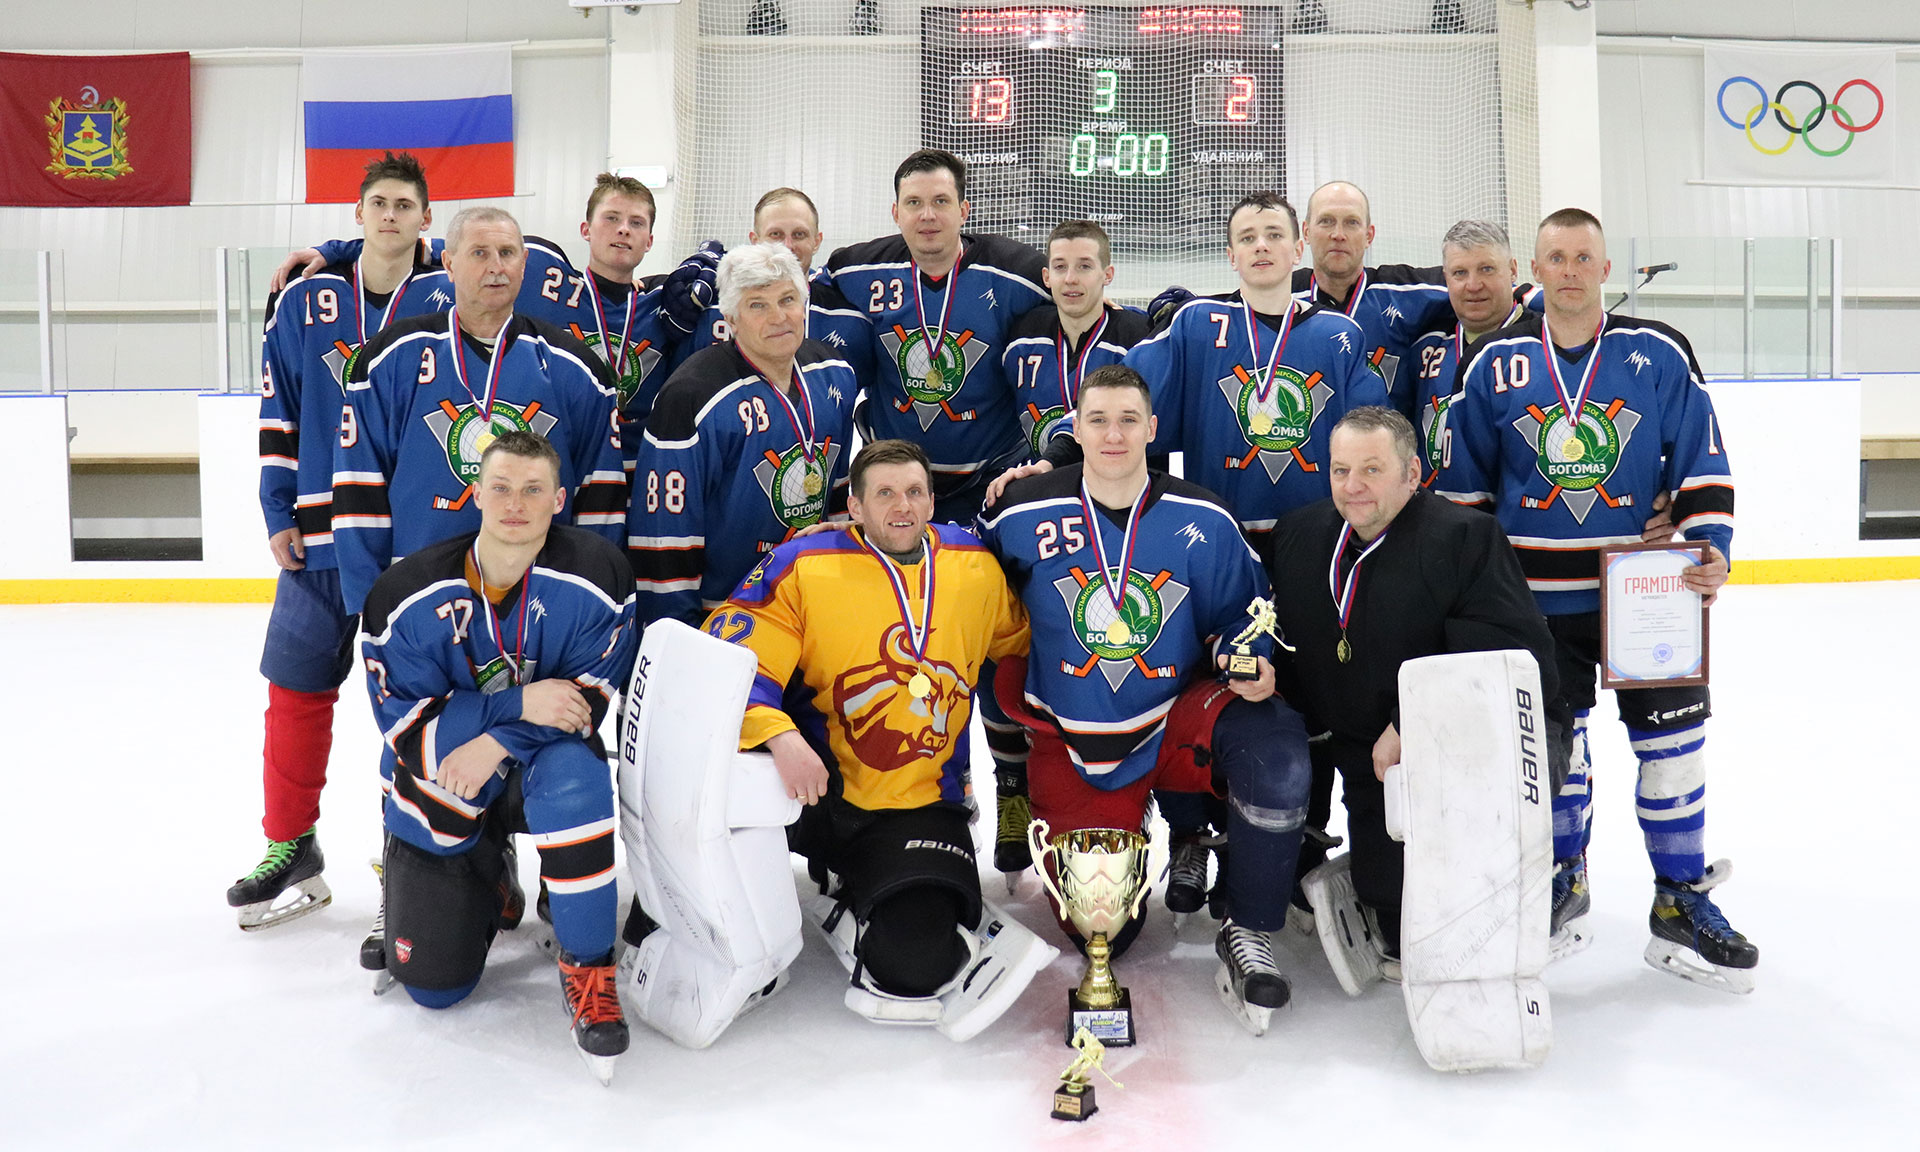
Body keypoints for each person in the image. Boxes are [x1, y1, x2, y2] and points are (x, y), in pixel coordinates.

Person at [1434, 207, 1756, 991]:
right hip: (1537, 606)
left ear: (1606, 269)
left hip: (1649, 591)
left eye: (1584, 257)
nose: (1571, 270)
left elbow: (1702, 464)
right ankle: (1564, 881)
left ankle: (1680, 899)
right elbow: (1464, 495)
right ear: (1535, 271)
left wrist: (1707, 545)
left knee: (1673, 751)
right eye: (1557, 257)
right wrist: (1477, 595)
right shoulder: (1497, 365)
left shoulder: (1657, 353)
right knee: (1559, 756)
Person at [978, 365, 1314, 1029]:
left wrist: (1249, 657)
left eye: (1129, 420)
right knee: (1102, 930)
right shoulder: (1019, 511)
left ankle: (1247, 925)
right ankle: (1149, 832)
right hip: (1071, 736)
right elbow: (956, 573)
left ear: (1153, 428)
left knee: (1274, 750)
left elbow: (1247, 612)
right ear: (1076, 430)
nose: (1114, 434)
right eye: (1098, 420)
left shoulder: (1202, 516)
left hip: (1173, 719)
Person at [701, 438, 1054, 1032]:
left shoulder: (973, 565)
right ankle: (833, 875)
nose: (902, 506)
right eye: (884, 493)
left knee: (918, 963)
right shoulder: (805, 564)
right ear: (855, 507)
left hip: (921, 805)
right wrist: (779, 735)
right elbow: (728, 659)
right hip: (816, 796)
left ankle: (861, 897)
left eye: (915, 492)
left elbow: (1029, 645)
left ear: (933, 501)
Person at [359, 430, 637, 1080]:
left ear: (559, 500)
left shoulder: (600, 577)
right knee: (435, 987)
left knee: (578, 776)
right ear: (476, 493)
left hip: (541, 759)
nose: (516, 503)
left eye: (533, 490)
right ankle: (488, 876)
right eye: (502, 487)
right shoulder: (405, 595)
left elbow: (582, 708)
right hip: (451, 768)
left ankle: (589, 968)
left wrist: (496, 738)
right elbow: (409, 728)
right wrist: (520, 704)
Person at [228, 152, 454, 931]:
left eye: (405, 205)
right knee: (295, 689)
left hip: (417, 539)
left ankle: (418, 852)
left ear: (427, 219)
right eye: (378, 203)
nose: (390, 215)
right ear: (358, 214)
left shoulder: (451, 293)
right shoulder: (305, 299)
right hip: (321, 534)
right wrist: (276, 510)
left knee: (420, 703)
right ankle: (290, 844)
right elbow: (279, 409)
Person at [1266, 406, 1564, 967]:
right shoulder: (1300, 535)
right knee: (1394, 908)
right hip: (1369, 751)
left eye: (1371, 469)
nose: (1352, 486)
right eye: (1340, 470)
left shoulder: (1466, 537)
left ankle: (1516, 889)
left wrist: (1413, 724)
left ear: (1411, 474)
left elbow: (1507, 660)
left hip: (1474, 742)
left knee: (1453, 918)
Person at [271, 172, 719, 465]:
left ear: (650, 240)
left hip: (641, 469)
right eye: (612, 218)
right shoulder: (538, 267)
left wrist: (714, 262)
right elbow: (433, 245)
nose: (623, 229)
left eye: (636, 223)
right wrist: (336, 250)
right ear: (586, 229)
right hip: (559, 461)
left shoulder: (666, 301)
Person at [331, 205, 628, 618]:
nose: (496, 267)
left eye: (507, 253)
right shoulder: (391, 358)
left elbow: (602, 497)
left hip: (542, 602)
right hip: (416, 595)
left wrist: (592, 598)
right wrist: (371, 602)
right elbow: (358, 485)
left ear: (524, 264)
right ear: (449, 264)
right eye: (479, 253)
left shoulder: (577, 368)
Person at [1122, 191, 1388, 561]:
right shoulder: (1195, 323)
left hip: (1319, 541)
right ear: (1232, 256)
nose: (1261, 245)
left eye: (1274, 235)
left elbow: (1375, 438)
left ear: (1298, 249)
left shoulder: (1339, 333)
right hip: (1217, 537)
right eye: (1247, 238)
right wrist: (1060, 451)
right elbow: (1118, 397)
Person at [627, 243, 859, 628]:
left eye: (788, 299)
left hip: (808, 601)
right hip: (723, 614)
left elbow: (837, 494)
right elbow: (663, 539)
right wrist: (681, 637)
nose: (778, 317)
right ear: (731, 319)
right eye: (757, 305)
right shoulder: (691, 396)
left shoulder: (835, 372)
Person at [824, 148, 1048, 526]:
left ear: (964, 210)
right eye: (914, 203)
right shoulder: (855, 269)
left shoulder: (1018, 272)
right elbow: (795, 288)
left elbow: (1079, 293)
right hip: (894, 483)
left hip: (990, 480)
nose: (927, 215)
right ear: (896, 213)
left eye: (940, 201)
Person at [672, 187, 874, 383]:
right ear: (755, 240)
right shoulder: (712, 309)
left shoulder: (850, 317)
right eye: (775, 234)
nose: (787, 246)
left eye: (799, 234)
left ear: (816, 241)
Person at [1293, 181, 1453, 412]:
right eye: (1326, 221)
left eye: (1351, 222)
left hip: (1388, 435)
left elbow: (1473, 283)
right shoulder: (1284, 297)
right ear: (1306, 232)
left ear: (1369, 235)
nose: (1338, 234)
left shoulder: (1402, 292)